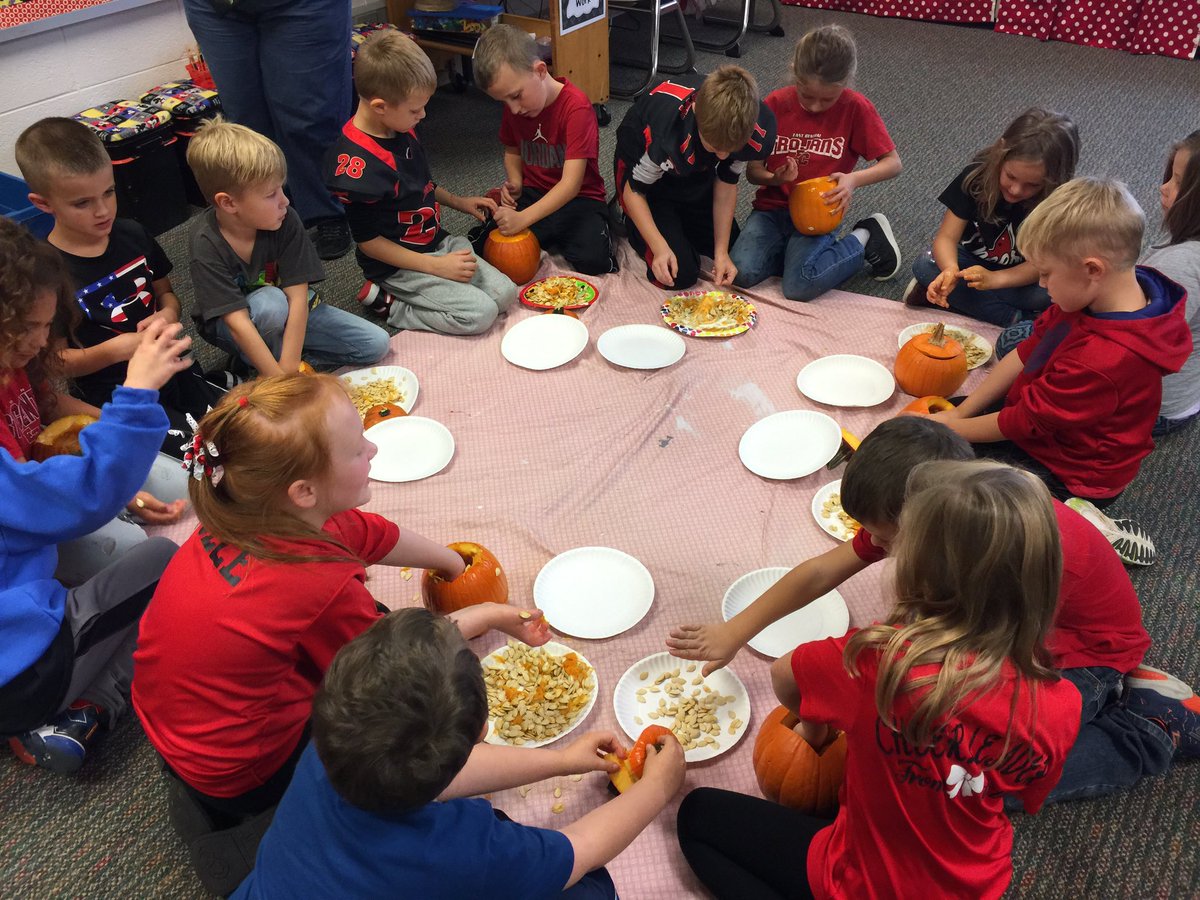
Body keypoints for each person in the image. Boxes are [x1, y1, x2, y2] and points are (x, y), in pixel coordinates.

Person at [671, 416, 1196, 804]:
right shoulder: (945, 516)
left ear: (923, 523)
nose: (872, 544)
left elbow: (990, 654)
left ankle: (1147, 727)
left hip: (1075, 657)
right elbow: (819, 571)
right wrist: (735, 630)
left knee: (968, 783)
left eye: (882, 536)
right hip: (1009, 631)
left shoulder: (1009, 559)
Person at [132, 374, 547, 824]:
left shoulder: (248, 511)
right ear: (304, 491)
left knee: (381, 623)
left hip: (180, 727)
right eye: (356, 448)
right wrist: (486, 611)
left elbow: (369, 534)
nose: (372, 449)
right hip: (246, 773)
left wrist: (453, 564)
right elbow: (395, 669)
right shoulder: (314, 581)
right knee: (418, 717)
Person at [677, 461, 1082, 899]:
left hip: (860, 882)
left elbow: (784, 675)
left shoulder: (875, 660)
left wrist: (815, 727)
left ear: (916, 571)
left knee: (696, 817)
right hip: (977, 885)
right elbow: (1025, 792)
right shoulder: (1064, 704)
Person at [231, 608, 686, 899]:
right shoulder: (461, 849)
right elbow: (580, 849)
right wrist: (657, 790)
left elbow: (445, 765)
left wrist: (563, 760)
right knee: (592, 891)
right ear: (483, 733)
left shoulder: (332, 741)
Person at [1, 217, 190, 773]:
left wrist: (120, 475)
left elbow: (49, 442)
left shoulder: (15, 368)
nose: (42, 342)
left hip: (26, 566)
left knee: (156, 510)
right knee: (165, 568)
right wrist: (137, 391)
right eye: (29, 329)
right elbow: (74, 496)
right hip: (22, 673)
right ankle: (86, 705)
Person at [927, 178, 1191, 527]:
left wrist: (957, 431)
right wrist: (962, 417)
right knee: (934, 434)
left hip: (1072, 474)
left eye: (1046, 274)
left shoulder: (1107, 360)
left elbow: (1025, 423)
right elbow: (1024, 354)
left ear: (1093, 270)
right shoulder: (1093, 293)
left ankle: (1092, 526)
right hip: (1039, 422)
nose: (1041, 284)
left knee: (966, 511)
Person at [15, 117, 231, 459]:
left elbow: (166, 294)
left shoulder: (132, 233)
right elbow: (55, 362)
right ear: (43, 204)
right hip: (116, 393)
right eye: (82, 203)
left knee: (236, 431)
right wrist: (119, 349)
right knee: (198, 457)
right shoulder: (48, 274)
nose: (103, 211)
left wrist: (167, 316)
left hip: (173, 366)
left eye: (109, 192)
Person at [999, 131, 1200, 439]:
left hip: (1158, 408)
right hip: (1128, 360)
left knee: (1010, 342)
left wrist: (958, 423)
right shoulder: (1185, 243)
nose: (1163, 187)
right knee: (1031, 336)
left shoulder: (1182, 263)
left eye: (1177, 182)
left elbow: (1029, 421)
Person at [325, 31, 516, 334]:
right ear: (379, 107)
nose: (424, 115)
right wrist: (435, 267)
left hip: (435, 240)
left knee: (507, 295)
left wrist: (458, 201)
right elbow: (369, 243)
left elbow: (421, 185)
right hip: (399, 265)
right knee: (480, 315)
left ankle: (437, 281)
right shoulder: (357, 170)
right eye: (416, 110)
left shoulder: (400, 124)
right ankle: (392, 305)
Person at [185, 119, 389, 376]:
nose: (285, 201)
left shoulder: (285, 217)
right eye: (271, 194)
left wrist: (290, 365)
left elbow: (298, 297)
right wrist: (282, 380)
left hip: (291, 310)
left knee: (375, 344)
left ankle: (264, 362)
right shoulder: (205, 241)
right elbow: (237, 322)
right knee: (271, 303)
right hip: (236, 324)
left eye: (281, 189)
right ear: (228, 203)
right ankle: (263, 364)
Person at [730, 25, 902, 301]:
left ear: (845, 83)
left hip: (820, 214)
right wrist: (775, 179)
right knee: (741, 274)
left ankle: (865, 235)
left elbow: (893, 163)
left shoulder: (856, 108)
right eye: (807, 96)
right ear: (794, 72)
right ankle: (793, 254)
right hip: (771, 210)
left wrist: (852, 179)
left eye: (827, 99)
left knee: (800, 286)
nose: (815, 107)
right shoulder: (774, 104)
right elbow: (753, 172)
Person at [179, 0, 354, 260]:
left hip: (306, 6)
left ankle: (327, 211)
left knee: (310, 116)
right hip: (217, 7)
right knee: (245, 124)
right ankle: (267, 215)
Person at [904, 107, 1080, 326]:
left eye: (1032, 185)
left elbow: (1041, 266)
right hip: (971, 267)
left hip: (1022, 277)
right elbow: (946, 238)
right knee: (925, 264)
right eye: (1011, 176)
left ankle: (971, 304)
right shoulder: (975, 177)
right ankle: (1016, 319)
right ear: (1000, 153)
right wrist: (950, 270)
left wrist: (996, 280)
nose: (1016, 190)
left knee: (1057, 291)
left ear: (1055, 179)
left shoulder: (1059, 203)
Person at [613, 68, 777, 291]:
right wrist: (659, 247)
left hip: (694, 171)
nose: (722, 156)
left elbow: (727, 182)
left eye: (731, 150)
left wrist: (721, 252)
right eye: (716, 148)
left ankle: (681, 219)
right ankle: (635, 225)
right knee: (679, 273)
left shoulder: (755, 126)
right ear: (696, 111)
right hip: (647, 183)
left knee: (733, 254)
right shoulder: (664, 134)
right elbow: (634, 192)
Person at [471, 25, 615, 276]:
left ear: (540, 71)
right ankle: (546, 233)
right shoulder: (515, 108)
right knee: (484, 246)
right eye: (504, 101)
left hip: (580, 199)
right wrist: (515, 181)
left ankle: (594, 228)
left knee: (594, 261)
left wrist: (523, 220)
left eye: (516, 96)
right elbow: (513, 149)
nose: (513, 109)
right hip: (534, 192)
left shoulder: (577, 108)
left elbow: (570, 186)